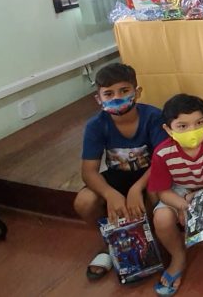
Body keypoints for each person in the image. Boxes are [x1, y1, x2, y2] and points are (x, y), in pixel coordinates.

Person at [73, 63, 168, 281]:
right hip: (117, 177)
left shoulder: (154, 117)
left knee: (153, 196)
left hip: (149, 175)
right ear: (99, 99)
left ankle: (152, 243)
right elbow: (89, 172)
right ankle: (110, 244)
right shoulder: (96, 125)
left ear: (137, 92)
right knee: (84, 201)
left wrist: (137, 189)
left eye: (124, 91)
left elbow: (161, 161)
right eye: (108, 94)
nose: (117, 98)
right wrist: (110, 194)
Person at [148, 94, 203, 295]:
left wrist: (198, 196)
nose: (192, 130)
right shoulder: (162, 153)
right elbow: (163, 191)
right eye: (182, 126)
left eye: (199, 123)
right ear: (168, 129)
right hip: (179, 190)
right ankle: (178, 256)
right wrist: (183, 205)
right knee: (161, 218)